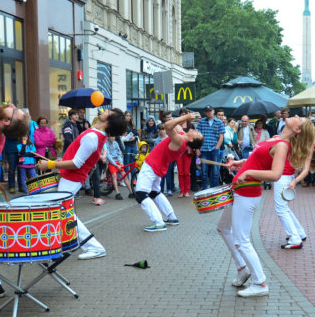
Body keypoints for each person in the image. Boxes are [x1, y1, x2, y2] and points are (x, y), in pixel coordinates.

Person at [219, 117, 315, 297]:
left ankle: (260, 283)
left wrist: (248, 172)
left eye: (299, 119)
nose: (296, 116)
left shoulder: (282, 145)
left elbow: (275, 174)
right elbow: (260, 159)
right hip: (240, 188)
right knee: (223, 228)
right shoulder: (275, 139)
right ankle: (242, 268)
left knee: (242, 240)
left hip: (247, 191)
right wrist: (241, 163)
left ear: (297, 130)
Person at [48, 108, 127, 259]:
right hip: (72, 178)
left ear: (108, 121)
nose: (106, 110)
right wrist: (60, 162)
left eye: (109, 113)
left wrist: (51, 164)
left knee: (66, 215)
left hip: (72, 178)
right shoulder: (96, 133)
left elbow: (76, 163)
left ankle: (94, 247)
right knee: (64, 214)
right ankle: (66, 246)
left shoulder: (92, 136)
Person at [135, 112, 204, 231]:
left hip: (151, 166)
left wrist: (186, 118)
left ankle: (159, 222)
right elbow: (173, 124)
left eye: (197, 133)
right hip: (157, 167)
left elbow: (168, 126)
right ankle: (172, 217)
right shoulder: (182, 135)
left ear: (192, 139)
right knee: (154, 192)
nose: (196, 130)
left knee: (141, 194)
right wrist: (186, 116)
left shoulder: (180, 142)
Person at [196, 105, 225, 189]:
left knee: (215, 171)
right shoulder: (201, 121)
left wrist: (217, 148)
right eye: (207, 111)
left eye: (210, 111)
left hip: (214, 149)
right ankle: (204, 189)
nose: (209, 112)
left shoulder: (219, 122)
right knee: (204, 171)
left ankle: (214, 189)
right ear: (205, 113)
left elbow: (221, 137)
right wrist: (197, 148)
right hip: (204, 149)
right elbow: (198, 136)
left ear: (213, 111)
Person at [104, 135, 131, 200]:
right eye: (112, 136)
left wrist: (121, 162)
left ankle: (131, 191)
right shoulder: (106, 144)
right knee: (114, 176)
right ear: (108, 137)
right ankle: (117, 193)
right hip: (112, 162)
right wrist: (116, 165)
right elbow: (109, 156)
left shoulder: (116, 143)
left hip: (118, 161)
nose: (113, 138)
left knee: (124, 175)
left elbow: (119, 153)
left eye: (114, 136)